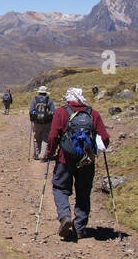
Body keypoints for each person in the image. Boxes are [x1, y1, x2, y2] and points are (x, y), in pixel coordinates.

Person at [43, 88, 110, 241]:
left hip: (65, 159)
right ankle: (79, 228)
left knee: (60, 188)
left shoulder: (61, 112)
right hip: (87, 161)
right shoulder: (93, 113)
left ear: (68, 98)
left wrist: (49, 153)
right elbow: (104, 137)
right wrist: (97, 150)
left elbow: (53, 136)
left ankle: (65, 216)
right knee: (83, 193)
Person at [29, 86, 54, 160]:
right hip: (47, 122)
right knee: (45, 138)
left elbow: (31, 110)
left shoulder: (35, 100)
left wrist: (34, 117)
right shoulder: (49, 100)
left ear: (39, 92)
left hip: (36, 122)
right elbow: (53, 111)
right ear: (45, 93)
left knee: (37, 137)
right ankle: (42, 155)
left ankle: (37, 154)